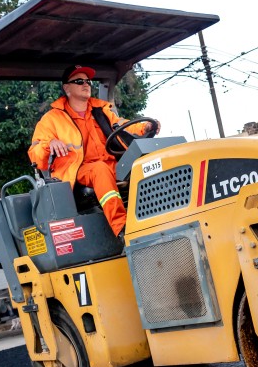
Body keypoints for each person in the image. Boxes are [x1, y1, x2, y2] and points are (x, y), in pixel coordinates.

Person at [27, 65, 159, 238]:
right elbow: (35, 152)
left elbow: (123, 125)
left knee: (148, 163)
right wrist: (49, 144)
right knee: (100, 169)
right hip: (78, 171)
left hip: (111, 165)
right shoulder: (52, 119)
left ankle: (157, 217)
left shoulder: (101, 111)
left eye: (88, 81)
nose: (86, 84)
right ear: (67, 88)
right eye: (79, 81)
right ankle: (123, 229)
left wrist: (145, 127)